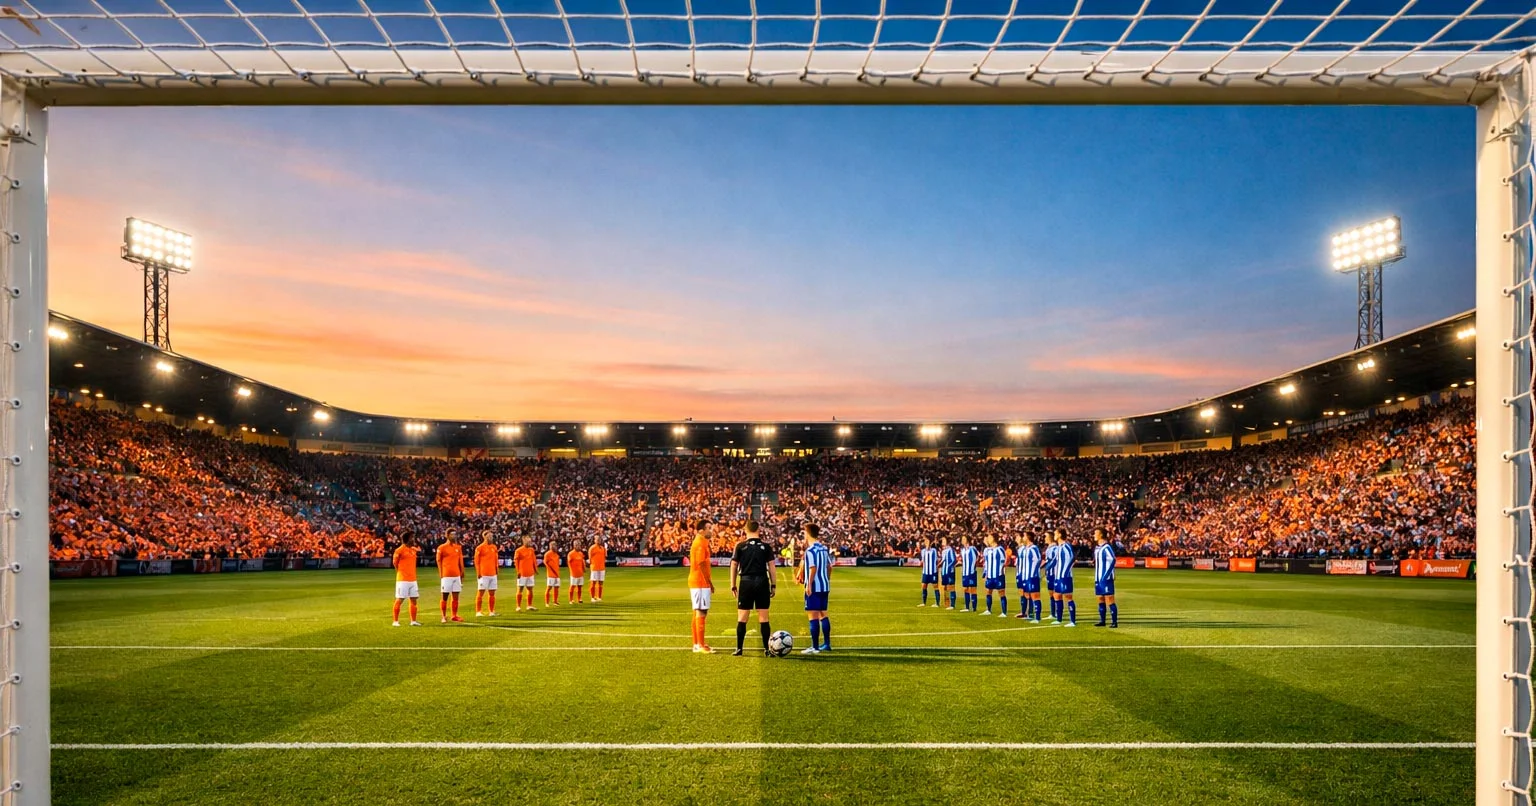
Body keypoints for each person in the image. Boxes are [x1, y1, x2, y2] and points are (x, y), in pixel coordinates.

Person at [729, 521, 776, 657]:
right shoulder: (766, 547)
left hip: (746, 582)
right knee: (764, 617)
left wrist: (733, 585)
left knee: (742, 617)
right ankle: (767, 650)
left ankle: (739, 649)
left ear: (745, 530)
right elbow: (772, 567)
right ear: (759, 530)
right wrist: (773, 585)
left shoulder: (740, 546)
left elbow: (733, 566)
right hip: (762, 582)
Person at [797, 523, 832, 654]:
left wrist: (809, 584)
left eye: (804, 533)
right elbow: (830, 567)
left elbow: (812, 568)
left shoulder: (810, 551)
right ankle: (827, 644)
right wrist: (826, 580)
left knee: (813, 615)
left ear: (808, 533)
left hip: (814, 588)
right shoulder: (823, 549)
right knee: (823, 613)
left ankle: (815, 647)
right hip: (824, 586)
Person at [688, 520, 716, 654]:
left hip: (697, 581)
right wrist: (709, 582)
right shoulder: (700, 543)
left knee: (697, 612)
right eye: (709, 528)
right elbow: (700, 563)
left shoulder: (700, 542)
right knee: (701, 612)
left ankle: (697, 643)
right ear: (701, 530)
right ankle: (700, 645)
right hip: (700, 582)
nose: (711, 530)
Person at [391, 534, 421, 627]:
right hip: (403, 580)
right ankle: (395, 621)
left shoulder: (413, 550)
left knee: (414, 600)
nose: (414, 539)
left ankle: (413, 621)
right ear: (407, 539)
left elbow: (418, 550)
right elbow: (395, 563)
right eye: (412, 537)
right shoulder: (399, 550)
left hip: (413, 579)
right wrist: (400, 572)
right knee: (400, 599)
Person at [436, 530, 464, 624]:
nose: (454, 536)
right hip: (446, 575)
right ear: (447, 535)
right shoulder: (442, 547)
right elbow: (438, 561)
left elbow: (460, 561)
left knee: (456, 597)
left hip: (456, 575)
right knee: (445, 596)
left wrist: (462, 572)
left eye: (455, 534)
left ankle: (454, 615)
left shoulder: (458, 547)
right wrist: (441, 574)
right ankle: (443, 616)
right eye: (452, 534)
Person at [1093, 528, 1118, 628]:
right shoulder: (1097, 548)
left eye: (1096, 533)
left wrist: (1107, 575)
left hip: (1106, 578)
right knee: (1100, 599)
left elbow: (1113, 560)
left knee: (1109, 599)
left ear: (1101, 535)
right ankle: (1102, 621)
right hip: (1098, 578)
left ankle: (1114, 622)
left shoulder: (1107, 547)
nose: (1094, 535)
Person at [1053, 530, 1077, 627]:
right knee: (1057, 596)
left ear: (1059, 535)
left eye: (1055, 533)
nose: (1054, 535)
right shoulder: (1058, 547)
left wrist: (1065, 573)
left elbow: (1072, 558)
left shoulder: (1066, 546)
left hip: (1065, 577)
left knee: (1068, 597)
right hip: (1058, 577)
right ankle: (1059, 619)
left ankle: (1072, 621)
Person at [1015, 534, 1042, 622]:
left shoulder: (1033, 548)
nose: (1023, 538)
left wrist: (1034, 573)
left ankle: (1036, 617)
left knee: (1035, 596)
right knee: (1027, 594)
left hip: (1031, 576)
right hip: (1024, 576)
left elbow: (1038, 560)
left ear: (1028, 537)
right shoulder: (1025, 549)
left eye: (1024, 536)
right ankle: (1028, 614)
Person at [473, 530, 499, 617]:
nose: (491, 537)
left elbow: (495, 560)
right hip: (483, 574)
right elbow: (476, 562)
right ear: (485, 537)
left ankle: (491, 611)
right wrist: (478, 572)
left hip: (493, 574)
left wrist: (496, 570)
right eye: (489, 536)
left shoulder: (494, 547)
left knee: (492, 593)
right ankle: (478, 611)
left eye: (492, 536)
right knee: (481, 592)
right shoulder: (479, 548)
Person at [981, 534, 1007, 617]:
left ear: (994, 539)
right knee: (988, 592)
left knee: (1001, 593)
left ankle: (1004, 612)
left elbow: (1004, 561)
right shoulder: (987, 550)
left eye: (989, 537)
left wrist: (1001, 571)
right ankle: (988, 610)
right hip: (989, 575)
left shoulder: (1000, 549)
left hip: (998, 575)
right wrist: (985, 574)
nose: (987, 539)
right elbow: (986, 563)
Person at [513, 536, 538, 612]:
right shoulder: (519, 550)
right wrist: (518, 571)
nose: (530, 543)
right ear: (524, 541)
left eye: (530, 541)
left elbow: (534, 560)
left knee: (530, 589)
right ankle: (518, 606)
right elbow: (516, 562)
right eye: (528, 541)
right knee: (520, 589)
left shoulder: (531, 550)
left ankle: (529, 605)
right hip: (522, 573)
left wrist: (535, 569)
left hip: (530, 573)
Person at [1044, 531, 1061, 623]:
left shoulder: (1055, 548)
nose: (1044, 538)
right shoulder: (1049, 548)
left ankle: (1058, 615)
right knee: (1051, 594)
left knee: (1056, 595)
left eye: (1046, 536)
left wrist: (1046, 568)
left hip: (1054, 574)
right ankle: (1053, 613)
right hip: (1049, 574)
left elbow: (1054, 562)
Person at [959, 535, 979, 612]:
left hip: (971, 572)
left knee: (973, 589)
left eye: (964, 538)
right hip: (964, 572)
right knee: (965, 589)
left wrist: (973, 567)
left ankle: (974, 608)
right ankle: (967, 607)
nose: (962, 540)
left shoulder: (972, 548)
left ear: (967, 540)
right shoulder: (962, 550)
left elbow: (977, 557)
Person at [918, 539, 939, 607]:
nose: (927, 543)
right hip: (925, 572)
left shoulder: (934, 550)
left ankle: (937, 603)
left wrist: (936, 569)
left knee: (935, 586)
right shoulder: (923, 551)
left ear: (930, 543)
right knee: (924, 586)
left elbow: (936, 561)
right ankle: (924, 603)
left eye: (928, 542)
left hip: (933, 572)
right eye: (926, 542)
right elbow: (922, 561)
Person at [939, 537, 958, 610]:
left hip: (949, 571)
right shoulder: (944, 551)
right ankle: (947, 603)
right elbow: (943, 561)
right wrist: (938, 565)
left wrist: (949, 567)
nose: (942, 541)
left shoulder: (950, 550)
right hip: (943, 571)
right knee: (945, 587)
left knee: (951, 587)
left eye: (943, 540)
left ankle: (952, 605)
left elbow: (954, 560)